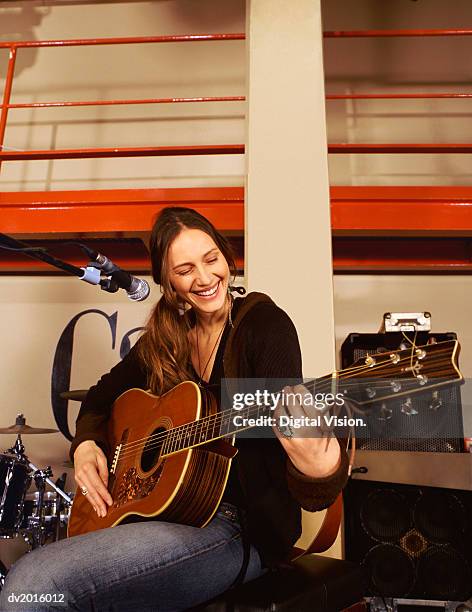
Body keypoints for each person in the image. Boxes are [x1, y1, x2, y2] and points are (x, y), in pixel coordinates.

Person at [0, 207, 349, 611]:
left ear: (226, 256)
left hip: (236, 529)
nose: (203, 278)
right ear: (168, 282)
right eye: (185, 269)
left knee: (35, 582)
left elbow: (293, 466)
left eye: (211, 259)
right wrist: (86, 445)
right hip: (163, 516)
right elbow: (98, 398)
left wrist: (319, 469)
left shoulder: (263, 325)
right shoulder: (168, 338)